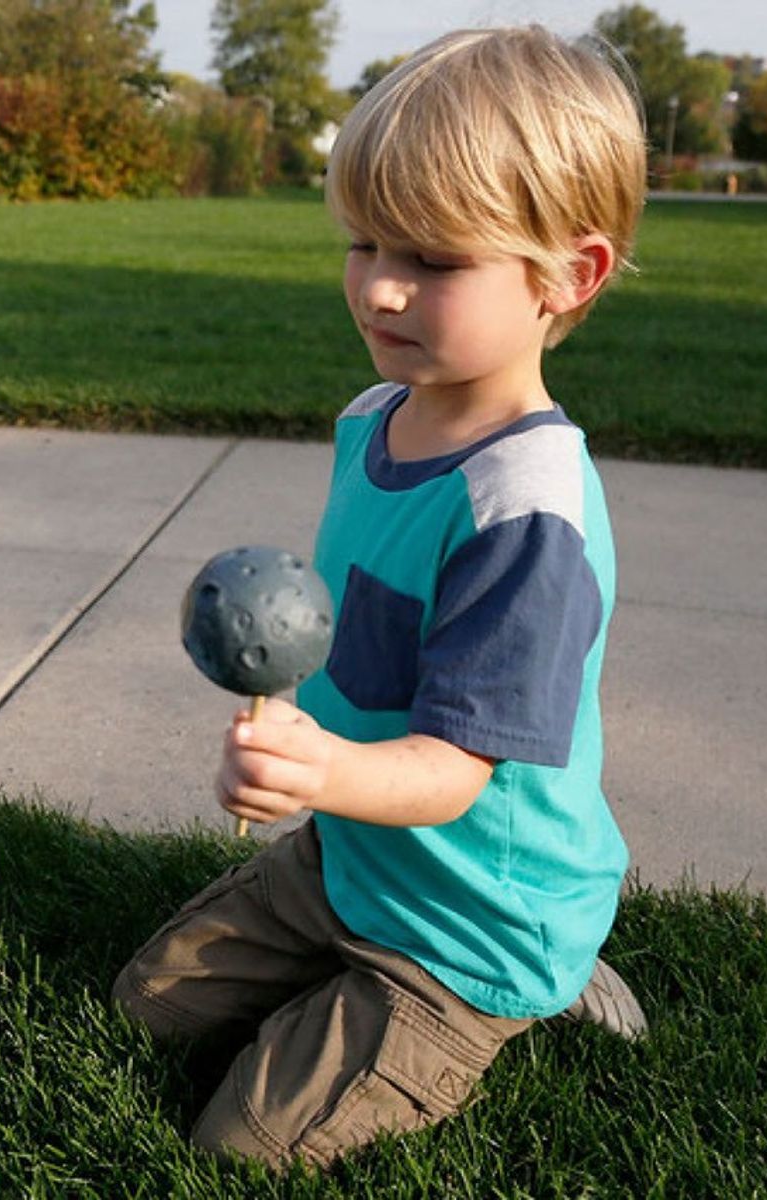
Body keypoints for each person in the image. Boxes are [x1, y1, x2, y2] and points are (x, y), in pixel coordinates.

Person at [113, 26, 648, 1170]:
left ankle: (543, 969)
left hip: (466, 918)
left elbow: (457, 771)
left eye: (435, 259)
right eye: (363, 242)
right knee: (143, 1001)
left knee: (243, 1141)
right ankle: (370, 945)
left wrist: (320, 773)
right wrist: (307, 768)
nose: (381, 285)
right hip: (355, 854)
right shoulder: (373, 417)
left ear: (570, 275)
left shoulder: (526, 514)